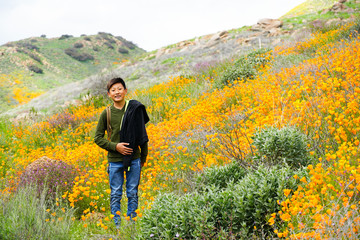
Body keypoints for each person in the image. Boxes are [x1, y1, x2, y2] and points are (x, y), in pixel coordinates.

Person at [94, 77, 149, 227]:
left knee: (132, 192)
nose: (117, 92)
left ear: (125, 91)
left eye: (119, 89)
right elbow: (97, 138)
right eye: (113, 90)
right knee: (116, 194)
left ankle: (132, 224)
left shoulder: (135, 109)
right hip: (114, 161)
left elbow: (142, 136)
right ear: (109, 94)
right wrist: (115, 146)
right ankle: (117, 226)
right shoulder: (106, 113)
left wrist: (143, 157)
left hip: (134, 159)